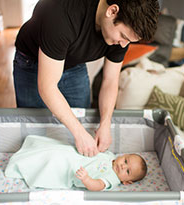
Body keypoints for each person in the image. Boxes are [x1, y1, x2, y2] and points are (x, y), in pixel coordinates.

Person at [12, 0, 160, 157]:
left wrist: (105, 123)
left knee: (82, 124)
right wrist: (79, 134)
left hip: (75, 63)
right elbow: (47, 87)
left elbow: (110, 81)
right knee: (36, 130)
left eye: (129, 41)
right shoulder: (61, 14)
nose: (123, 45)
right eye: (123, 36)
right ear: (112, 11)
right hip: (32, 63)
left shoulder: (121, 39)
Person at [5, 135, 148, 191]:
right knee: (53, 147)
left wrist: (87, 179)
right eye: (125, 161)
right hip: (72, 153)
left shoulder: (113, 179)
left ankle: (23, 165)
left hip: (70, 169)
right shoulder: (110, 156)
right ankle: (30, 150)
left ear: (127, 182)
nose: (123, 166)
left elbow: (98, 186)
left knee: (52, 159)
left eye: (127, 171)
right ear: (123, 155)